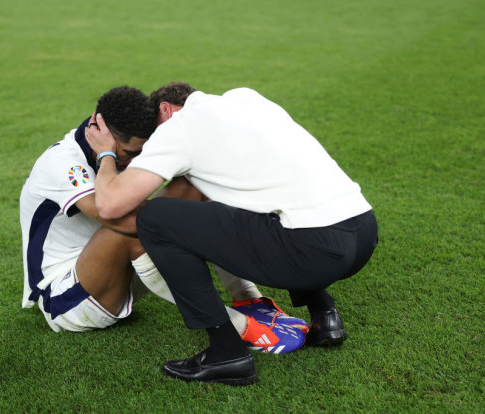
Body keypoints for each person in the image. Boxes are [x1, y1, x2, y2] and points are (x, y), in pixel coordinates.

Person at [86, 82, 379, 385]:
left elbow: (110, 205)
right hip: (363, 229)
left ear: (165, 110)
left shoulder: (180, 126)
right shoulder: (246, 99)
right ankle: (324, 314)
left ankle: (227, 352)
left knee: (154, 218)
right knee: (255, 198)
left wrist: (106, 154)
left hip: (313, 252)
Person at [19, 86, 308, 353]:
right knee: (138, 226)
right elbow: (120, 219)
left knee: (197, 182)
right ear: (101, 133)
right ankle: (240, 327)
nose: (137, 163)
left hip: (119, 273)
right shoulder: (62, 163)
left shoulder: (124, 141)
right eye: (130, 154)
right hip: (67, 298)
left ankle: (248, 298)